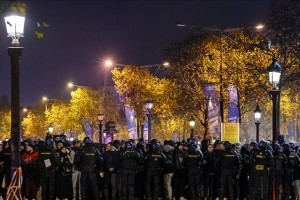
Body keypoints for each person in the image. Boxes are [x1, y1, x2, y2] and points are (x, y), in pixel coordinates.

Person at [38, 135, 59, 200]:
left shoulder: (41, 150)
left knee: (44, 187)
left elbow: (39, 161)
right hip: (51, 171)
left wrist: (43, 167)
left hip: (43, 171)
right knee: (51, 187)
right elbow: (56, 161)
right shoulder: (52, 151)